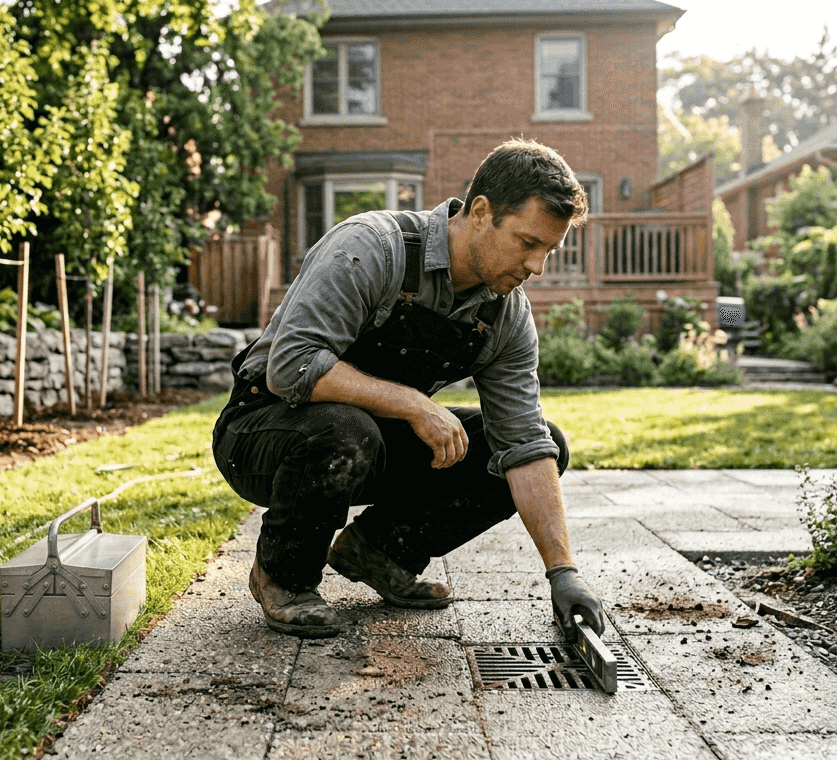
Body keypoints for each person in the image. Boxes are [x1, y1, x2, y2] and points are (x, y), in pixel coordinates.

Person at [211, 138, 607, 642]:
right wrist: (413, 403)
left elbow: (523, 441)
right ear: (481, 212)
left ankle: (379, 553)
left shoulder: (504, 314)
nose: (537, 266)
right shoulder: (371, 248)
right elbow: (290, 367)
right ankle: (283, 577)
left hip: (368, 441)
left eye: (549, 250)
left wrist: (563, 572)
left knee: (535, 444)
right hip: (263, 431)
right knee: (346, 429)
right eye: (528, 243)